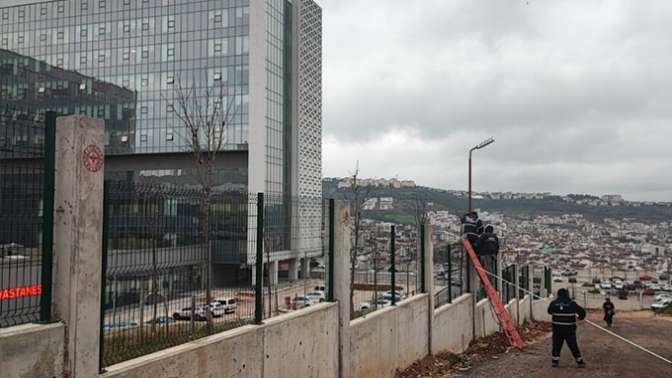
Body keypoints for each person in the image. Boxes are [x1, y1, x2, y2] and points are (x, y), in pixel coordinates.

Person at [547, 288, 587, 368]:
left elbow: (549, 311)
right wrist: (579, 318)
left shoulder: (554, 303)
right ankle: (580, 362)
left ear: (558, 294)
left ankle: (555, 361)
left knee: (556, 345)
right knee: (573, 346)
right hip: (569, 329)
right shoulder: (572, 303)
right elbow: (582, 312)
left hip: (557, 329)